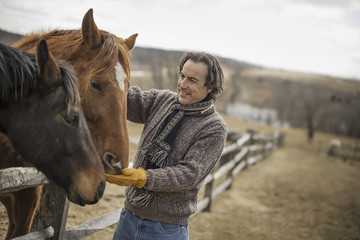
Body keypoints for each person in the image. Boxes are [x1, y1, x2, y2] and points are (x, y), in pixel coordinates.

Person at [106, 51, 228, 240]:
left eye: (192, 80)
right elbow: (125, 100)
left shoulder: (214, 127)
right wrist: (107, 66)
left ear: (210, 87)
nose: (182, 84)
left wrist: (142, 177)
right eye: (182, 76)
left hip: (165, 229)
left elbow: (189, 174)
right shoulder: (162, 100)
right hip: (128, 216)